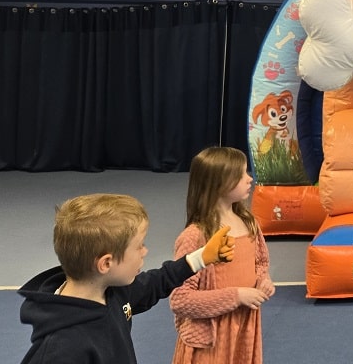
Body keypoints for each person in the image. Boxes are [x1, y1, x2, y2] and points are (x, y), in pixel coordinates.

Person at [18, 193, 235, 364]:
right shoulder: (61, 348)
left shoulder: (113, 292)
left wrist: (201, 257)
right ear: (106, 264)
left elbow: (156, 282)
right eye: (139, 246)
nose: (145, 251)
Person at [170, 146, 274, 364]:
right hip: (211, 341)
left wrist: (263, 281)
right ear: (219, 183)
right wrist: (236, 296)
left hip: (244, 331)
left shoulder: (249, 223)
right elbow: (180, 300)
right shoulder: (195, 236)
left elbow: (261, 263)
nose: (250, 179)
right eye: (241, 174)